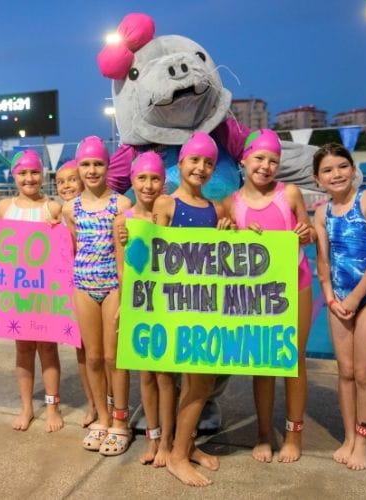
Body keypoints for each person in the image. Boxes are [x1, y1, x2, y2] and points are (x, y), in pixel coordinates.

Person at [222, 129, 315, 464]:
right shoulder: (231, 203)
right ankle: (263, 434)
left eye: (273, 160)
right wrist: (229, 232)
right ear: (244, 159)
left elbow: (310, 233)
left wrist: (306, 232)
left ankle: (294, 434)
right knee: (263, 361)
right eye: (260, 158)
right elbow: (222, 248)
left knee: (293, 360)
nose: (266, 165)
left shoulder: (288, 193)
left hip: (297, 282)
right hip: (256, 291)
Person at [152, 131, 234, 487]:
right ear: (180, 163)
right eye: (194, 160)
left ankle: (185, 446)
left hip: (205, 309)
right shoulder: (165, 205)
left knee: (200, 384)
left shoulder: (217, 209)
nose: (201, 167)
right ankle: (177, 455)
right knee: (194, 382)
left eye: (208, 163)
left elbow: (221, 261)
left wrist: (230, 234)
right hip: (175, 307)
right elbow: (154, 256)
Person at [0, 149, 65, 433]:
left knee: (48, 349)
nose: (29, 178)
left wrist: (58, 229)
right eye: (22, 173)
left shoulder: (53, 208)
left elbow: (64, 246)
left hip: (45, 292)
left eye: (34, 172)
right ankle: (26, 407)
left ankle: (52, 406)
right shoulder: (4, 207)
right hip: (16, 291)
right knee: (23, 350)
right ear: (14, 176)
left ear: (42, 174)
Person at [311, 143, 366, 471]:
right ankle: (347, 436)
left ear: (353, 168)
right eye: (328, 170)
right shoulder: (322, 212)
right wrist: (330, 297)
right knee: (344, 372)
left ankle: (363, 440)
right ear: (317, 180)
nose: (336, 174)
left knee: (363, 373)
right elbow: (323, 262)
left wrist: (355, 298)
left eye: (342, 166)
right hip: (339, 298)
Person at [61, 136, 132, 456]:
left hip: (113, 285)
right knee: (92, 356)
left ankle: (120, 421)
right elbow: (71, 249)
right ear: (79, 168)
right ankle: (102, 418)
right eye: (86, 164)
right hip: (82, 286)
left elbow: (127, 253)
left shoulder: (121, 204)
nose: (92, 170)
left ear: (107, 166)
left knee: (113, 356)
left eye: (98, 163)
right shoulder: (69, 208)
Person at [113, 151, 175, 467]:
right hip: (140, 305)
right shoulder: (122, 222)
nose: (149, 185)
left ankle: (168, 441)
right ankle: (152, 437)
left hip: (168, 305)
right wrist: (126, 305)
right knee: (146, 376)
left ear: (164, 182)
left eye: (155, 179)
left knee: (165, 376)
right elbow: (123, 270)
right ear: (132, 181)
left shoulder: (173, 216)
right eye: (142, 178)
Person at [54, 159, 97, 428]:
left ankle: (111, 402)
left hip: (93, 286)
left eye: (72, 179)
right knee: (82, 351)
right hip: (70, 290)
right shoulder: (58, 213)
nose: (66, 185)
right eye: (60, 181)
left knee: (101, 353)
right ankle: (92, 403)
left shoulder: (91, 211)